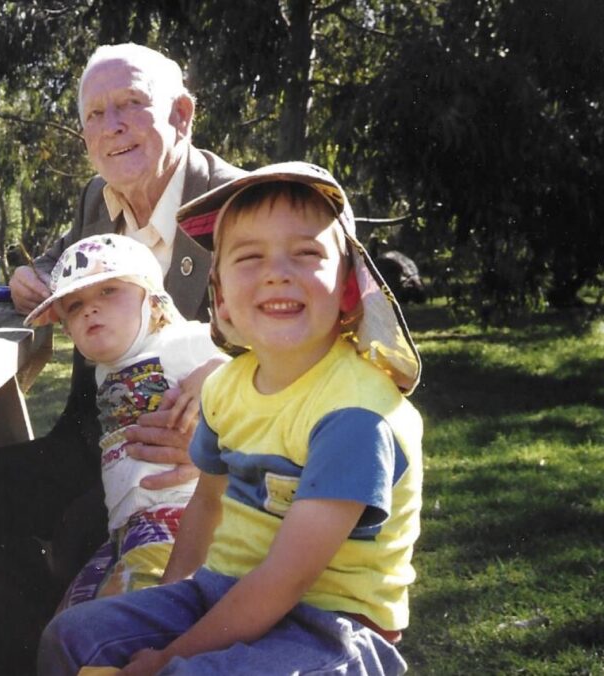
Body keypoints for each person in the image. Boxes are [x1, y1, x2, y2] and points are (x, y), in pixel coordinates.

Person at [0, 43, 245, 674]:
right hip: (100, 439)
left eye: (131, 105)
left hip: (211, 470)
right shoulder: (100, 198)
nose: (111, 126)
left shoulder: (241, 201)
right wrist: (33, 275)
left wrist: (226, 384)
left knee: (77, 539)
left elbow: (341, 334)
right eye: (95, 114)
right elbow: (69, 258)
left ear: (182, 113)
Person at [38, 161, 424, 676]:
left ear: (350, 287)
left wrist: (170, 654)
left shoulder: (355, 416)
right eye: (248, 257)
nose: (275, 271)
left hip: (328, 627)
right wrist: (169, 605)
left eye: (306, 253)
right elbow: (206, 506)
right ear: (220, 298)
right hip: (220, 590)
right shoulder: (225, 386)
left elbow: (285, 581)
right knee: (73, 637)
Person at [23, 234, 227, 608]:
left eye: (109, 291)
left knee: (126, 619)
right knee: (72, 616)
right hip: (126, 529)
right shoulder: (107, 371)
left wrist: (215, 372)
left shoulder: (179, 341)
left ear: (152, 301)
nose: (90, 310)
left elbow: (255, 359)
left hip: (177, 520)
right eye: (75, 305)